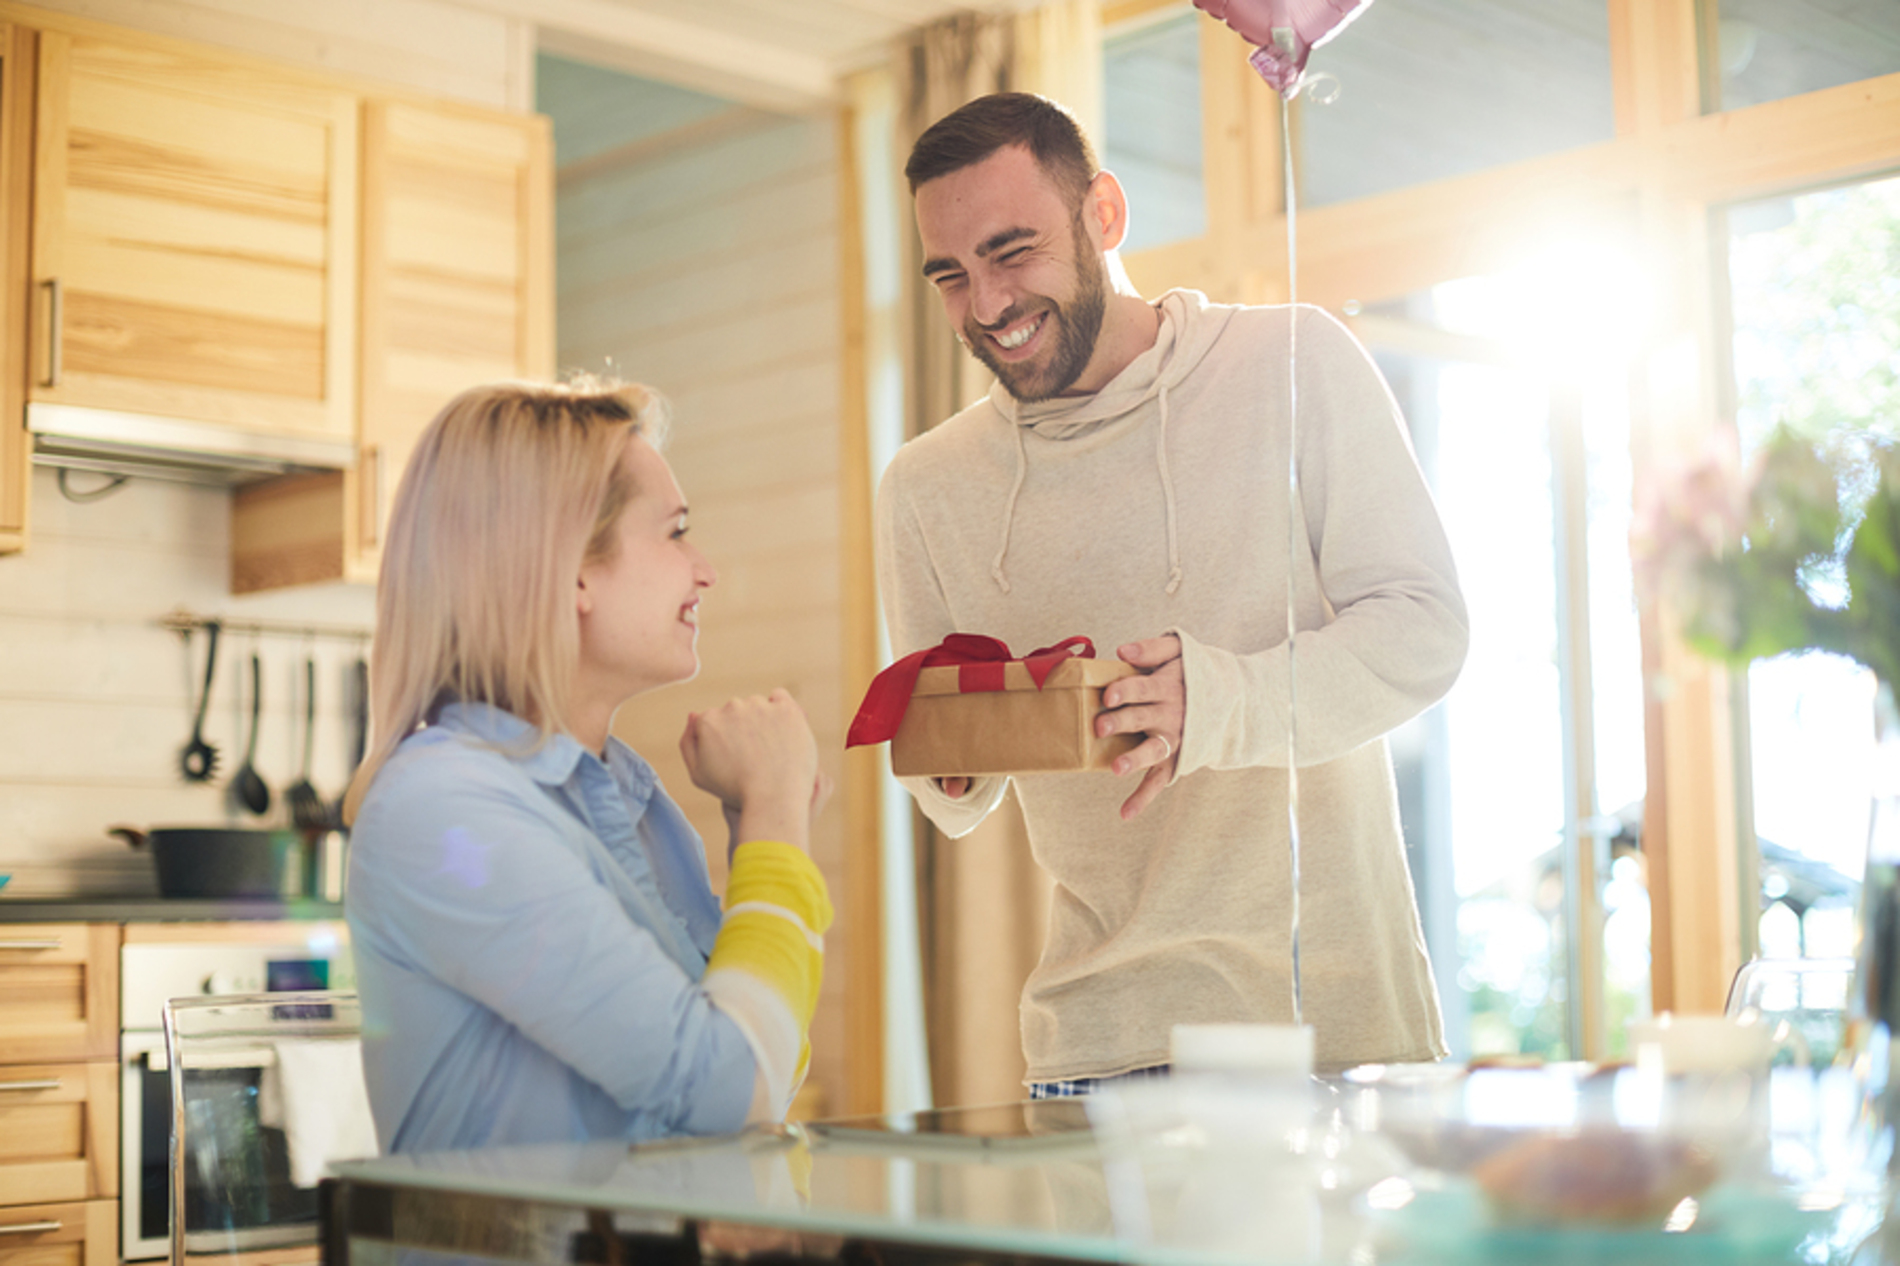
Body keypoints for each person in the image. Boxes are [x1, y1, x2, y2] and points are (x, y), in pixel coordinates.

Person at [877, 92, 1468, 1093]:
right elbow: (952, 797)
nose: (985, 307)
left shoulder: (1294, 361)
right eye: (950, 275)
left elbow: (1424, 633)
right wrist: (954, 749)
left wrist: (1214, 702)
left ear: (1102, 215)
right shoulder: (927, 486)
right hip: (1093, 1050)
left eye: (1010, 253)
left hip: (1330, 1035)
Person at [343, 379, 832, 1153]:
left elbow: (767, 1058)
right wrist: (775, 819)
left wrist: (755, 831)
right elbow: (729, 1087)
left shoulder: (630, 796)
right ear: (570, 568)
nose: (703, 570)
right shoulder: (445, 811)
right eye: (675, 533)